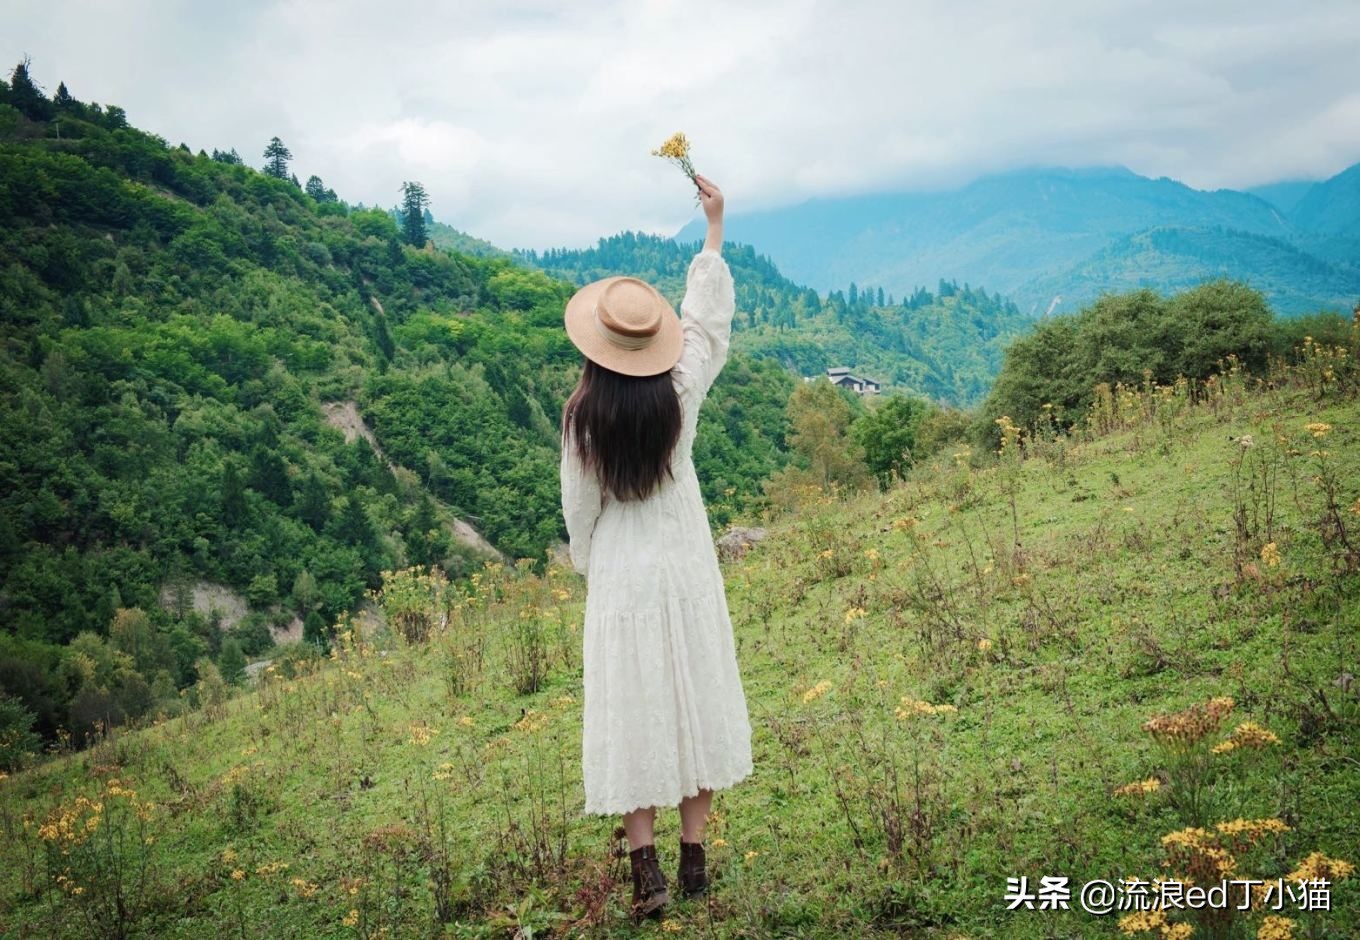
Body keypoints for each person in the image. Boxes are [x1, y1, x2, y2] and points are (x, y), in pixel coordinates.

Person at [559, 174, 753, 922]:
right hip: (683, 557)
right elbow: (707, 327)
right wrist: (712, 231)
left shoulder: (582, 418)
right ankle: (694, 854)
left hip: (623, 571)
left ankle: (646, 874)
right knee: (693, 689)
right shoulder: (679, 390)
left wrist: (592, 564)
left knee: (633, 702)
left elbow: (581, 512)